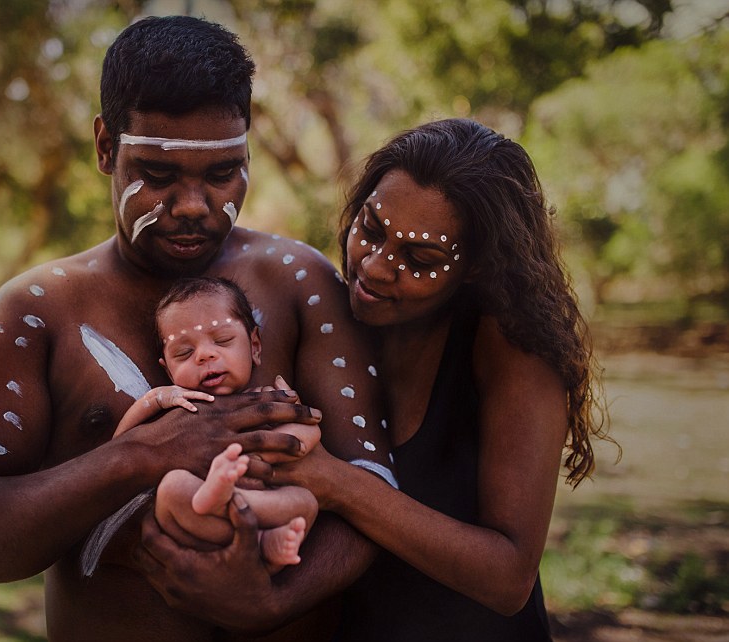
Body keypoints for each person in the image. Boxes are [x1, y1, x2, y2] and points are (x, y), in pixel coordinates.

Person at [0, 14, 396, 642]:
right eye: (157, 174)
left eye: (223, 173)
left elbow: (377, 494)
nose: (193, 205)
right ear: (105, 148)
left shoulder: (299, 283)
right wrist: (143, 454)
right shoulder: (36, 311)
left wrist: (271, 603)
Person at [137, 118, 614, 641]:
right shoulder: (331, 318)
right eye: (371, 229)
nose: (376, 267)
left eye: (419, 258)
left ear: (478, 265)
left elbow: (508, 578)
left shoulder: (512, 351)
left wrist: (336, 483)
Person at [113, 276, 320, 573]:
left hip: (257, 508)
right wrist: (155, 399)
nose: (205, 355)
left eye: (222, 341)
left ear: (255, 346)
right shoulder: (181, 409)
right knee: (172, 488)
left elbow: (310, 430)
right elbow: (120, 444)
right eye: (184, 353)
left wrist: (263, 451)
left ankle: (256, 532)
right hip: (197, 523)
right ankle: (252, 534)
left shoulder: (265, 400)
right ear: (168, 371)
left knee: (306, 502)